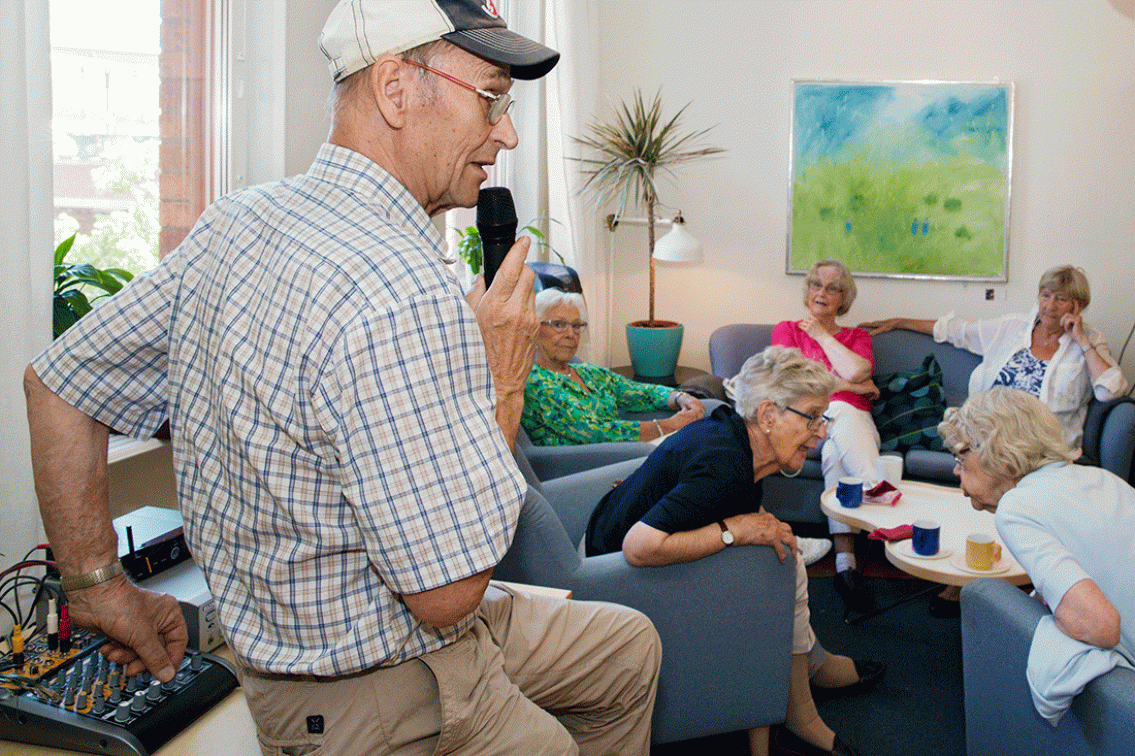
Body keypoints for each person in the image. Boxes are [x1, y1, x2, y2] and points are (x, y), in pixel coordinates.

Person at [23, 3, 662, 754]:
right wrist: (503, 384)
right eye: (490, 98)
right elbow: (446, 590)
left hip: (381, 634)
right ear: (395, 87)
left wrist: (96, 588)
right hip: (380, 680)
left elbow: (57, 384)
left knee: (626, 647)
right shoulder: (404, 291)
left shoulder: (237, 219)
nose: (507, 133)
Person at [587, 346, 883, 756]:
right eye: (812, 416)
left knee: (782, 552)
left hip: (607, 534)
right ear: (767, 415)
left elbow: (720, 498)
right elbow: (640, 548)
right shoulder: (724, 465)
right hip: (616, 580)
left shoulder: (733, 433)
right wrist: (734, 530)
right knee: (778, 566)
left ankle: (807, 671)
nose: (821, 432)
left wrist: (758, 520)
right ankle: (800, 697)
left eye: (822, 418)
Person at [938, 388, 1134, 720]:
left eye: (961, 456)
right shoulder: (1102, 478)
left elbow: (1100, 626)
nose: (957, 470)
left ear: (996, 452)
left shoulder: (1017, 507)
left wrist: (1047, 617)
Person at [861, 264, 1129, 452]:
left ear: (1077, 306)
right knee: (963, 431)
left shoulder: (1090, 341)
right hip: (988, 431)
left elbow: (1111, 390)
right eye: (1045, 296)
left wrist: (1082, 341)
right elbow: (956, 331)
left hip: (1041, 442)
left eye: (1061, 299)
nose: (1049, 305)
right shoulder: (1012, 327)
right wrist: (900, 321)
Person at [767, 259, 880, 607]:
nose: (822, 293)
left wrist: (820, 335)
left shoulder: (856, 336)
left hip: (851, 422)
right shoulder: (786, 330)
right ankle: (881, 497)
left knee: (834, 451)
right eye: (816, 284)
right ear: (807, 289)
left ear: (843, 297)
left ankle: (845, 566)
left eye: (832, 288)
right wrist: (855, 386)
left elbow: (858, 368)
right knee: (839, 407)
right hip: (808, 417)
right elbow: (787, 381)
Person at [522, 288, 705, 446]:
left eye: (577, 326)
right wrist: (670, 425)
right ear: (534, 329)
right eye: (558, 324)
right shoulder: (534, 382)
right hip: (595, 463)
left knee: (715, 416)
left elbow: (639, 391)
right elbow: (595, 432)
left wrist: (682, 398)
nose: (571, 334)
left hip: (634, 449)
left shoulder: (589, 372)